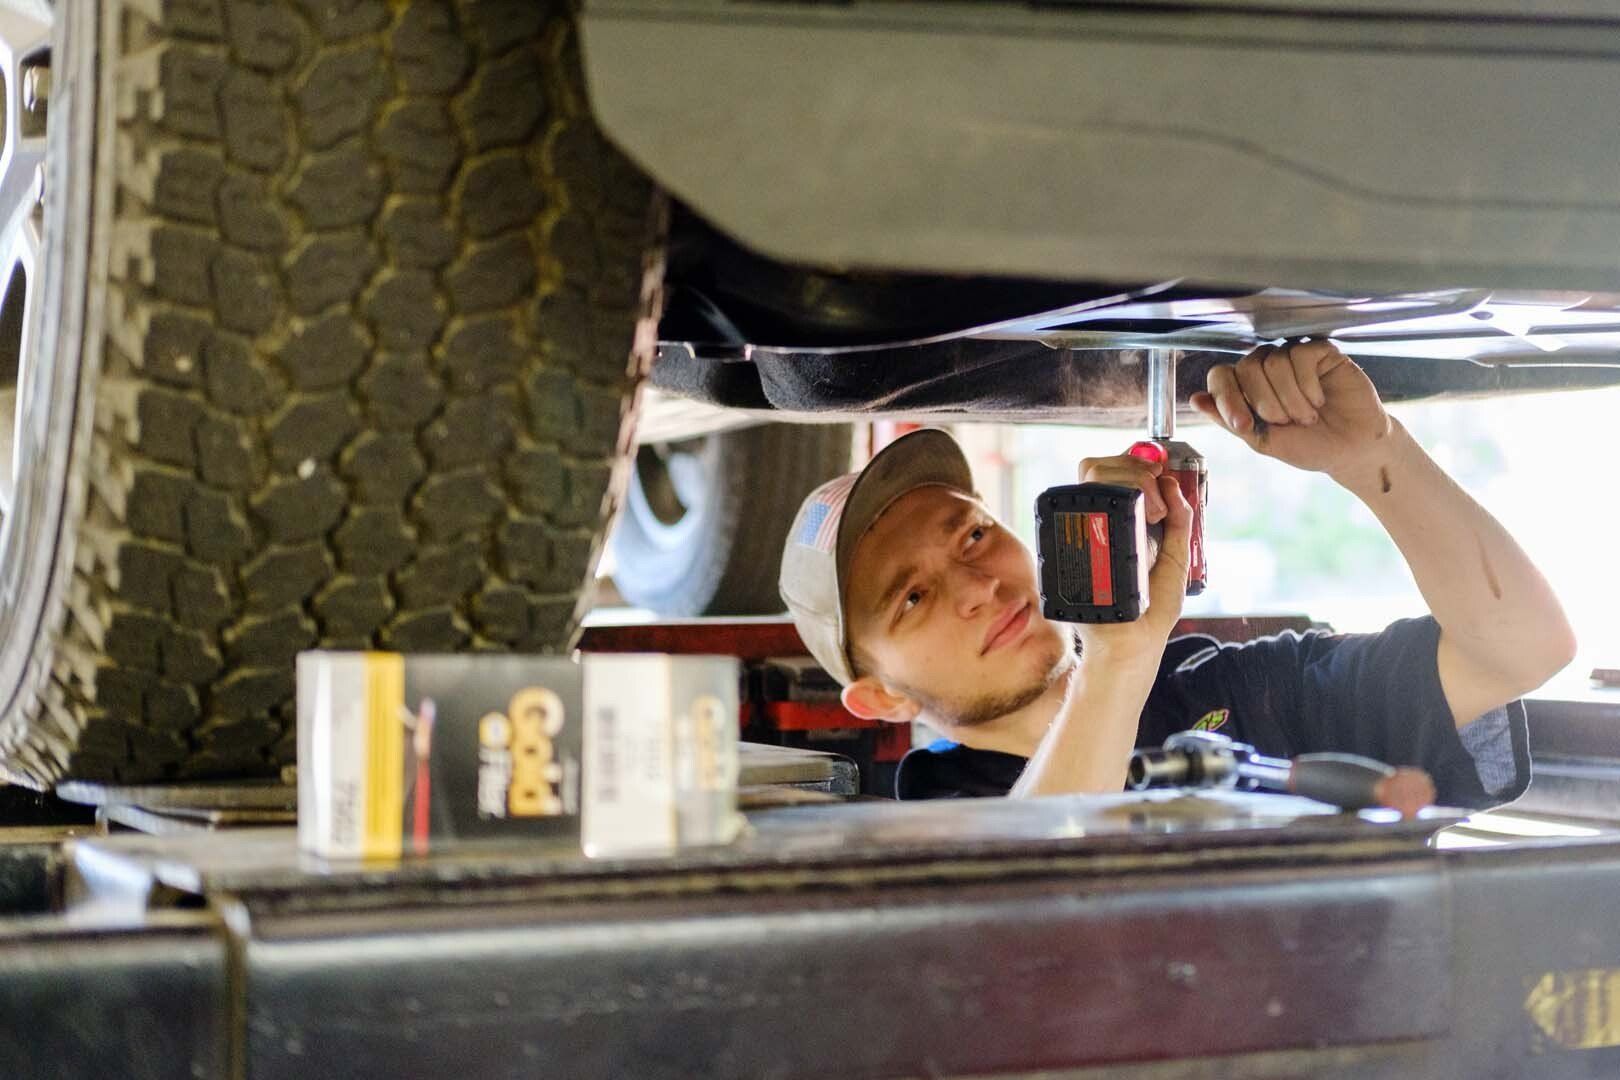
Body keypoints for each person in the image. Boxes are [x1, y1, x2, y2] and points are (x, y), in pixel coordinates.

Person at [778, 341, 1576, 807]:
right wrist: (1117, 660)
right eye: (912, 598)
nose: (977, 585)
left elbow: (1523, 650)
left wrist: (1375, 459)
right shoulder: (937, 820)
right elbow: (1034, 916)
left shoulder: (1241, 691)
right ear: (878, 696)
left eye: (973, 535)